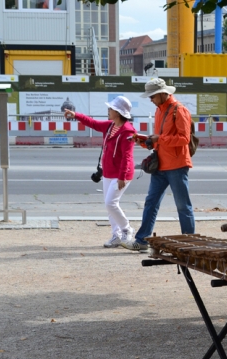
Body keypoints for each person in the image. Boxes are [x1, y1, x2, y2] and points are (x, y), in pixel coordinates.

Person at [122, 78, 194, 252]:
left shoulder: (179, 110)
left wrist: (158, 139)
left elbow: (185, 139)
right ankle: (142, 240)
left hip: (177, 165)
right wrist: (143, 140)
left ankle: (190, 243)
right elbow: (159, 140)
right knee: (151, 203)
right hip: (161, 165)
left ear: (163, 94)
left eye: (152, 96)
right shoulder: (160, 111)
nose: (150, 99)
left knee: (183, 206)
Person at [66, 97, 137, 248]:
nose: (108, 111)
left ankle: (126, 229)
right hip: (108, 172)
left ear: (118, 112)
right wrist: (76, 115)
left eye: (111, 109)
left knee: (110, 203)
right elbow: (92, 123)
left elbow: (127, 156)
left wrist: (122, 176)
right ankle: (116, 235)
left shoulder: (128, 131)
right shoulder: (110, 126)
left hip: (121, 174)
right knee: (109, 205)